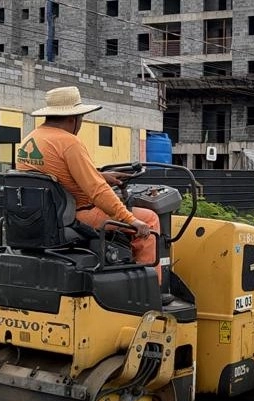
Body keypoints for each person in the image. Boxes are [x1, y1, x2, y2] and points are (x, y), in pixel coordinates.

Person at [16, 87, 160, 278]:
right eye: (81, 118)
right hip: (76, 215)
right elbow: (97, 191)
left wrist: (100, 175)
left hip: (42, 217)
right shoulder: (69, 142)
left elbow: (58, 176)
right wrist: (131, 220)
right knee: (149, 219)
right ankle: (152, 284)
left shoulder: (30, 139)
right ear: (72, 118)